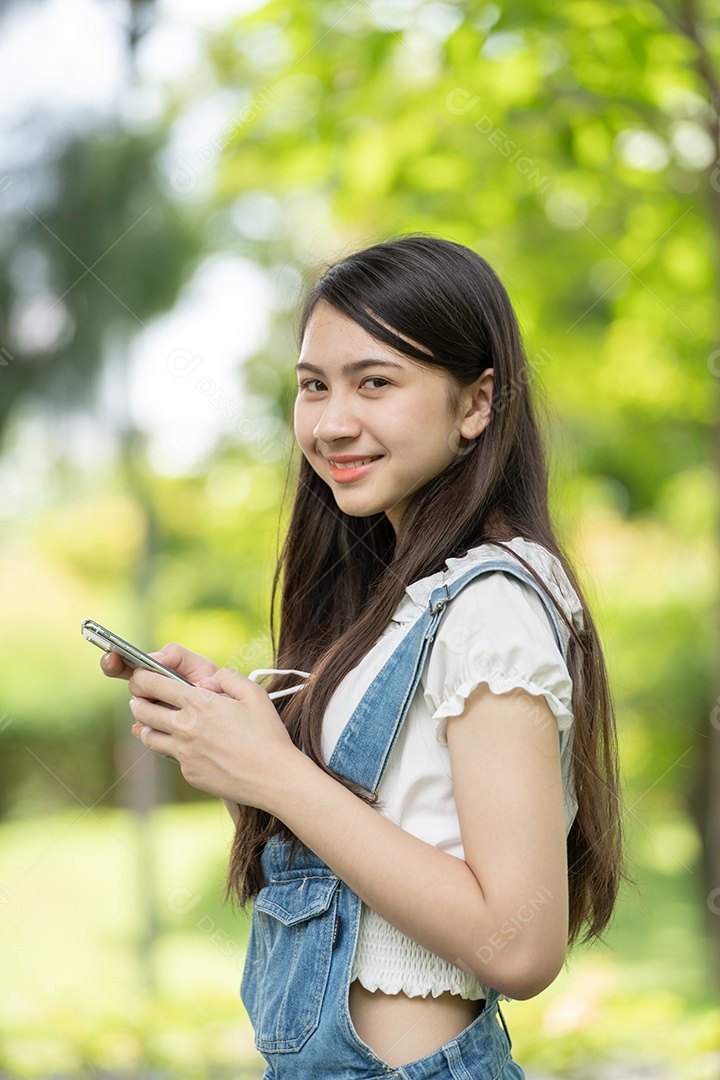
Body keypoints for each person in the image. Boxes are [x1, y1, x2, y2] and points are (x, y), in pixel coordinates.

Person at [101, 235, 626, 1079]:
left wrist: (275, 774)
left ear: (475, 404)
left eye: (375, 382)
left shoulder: (490, 604)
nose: (332, 422)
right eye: (314, 386)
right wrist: (245, 739)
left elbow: (520, 945)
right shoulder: (396, 600)